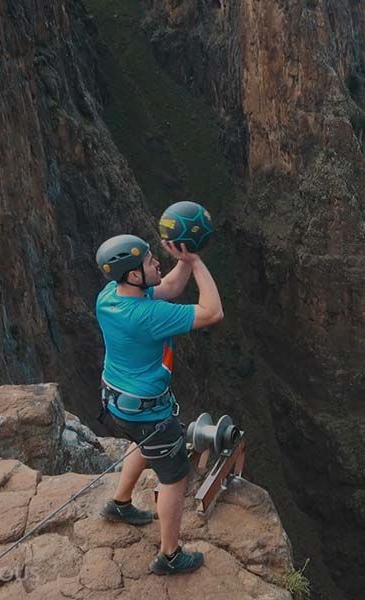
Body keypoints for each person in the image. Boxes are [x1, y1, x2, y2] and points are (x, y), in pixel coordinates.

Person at [93, 234, 224, 575]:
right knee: (174, 476)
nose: (157, 264)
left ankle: (120, 503)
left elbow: (167, 287)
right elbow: (213, 312)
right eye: (150, 261)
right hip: (148, 413)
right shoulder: (147, 316)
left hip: (115, 402)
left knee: (143, 445)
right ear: (134, 276)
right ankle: (169, 555)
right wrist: (196, 263)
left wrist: (183, 258)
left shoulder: (109, 296)